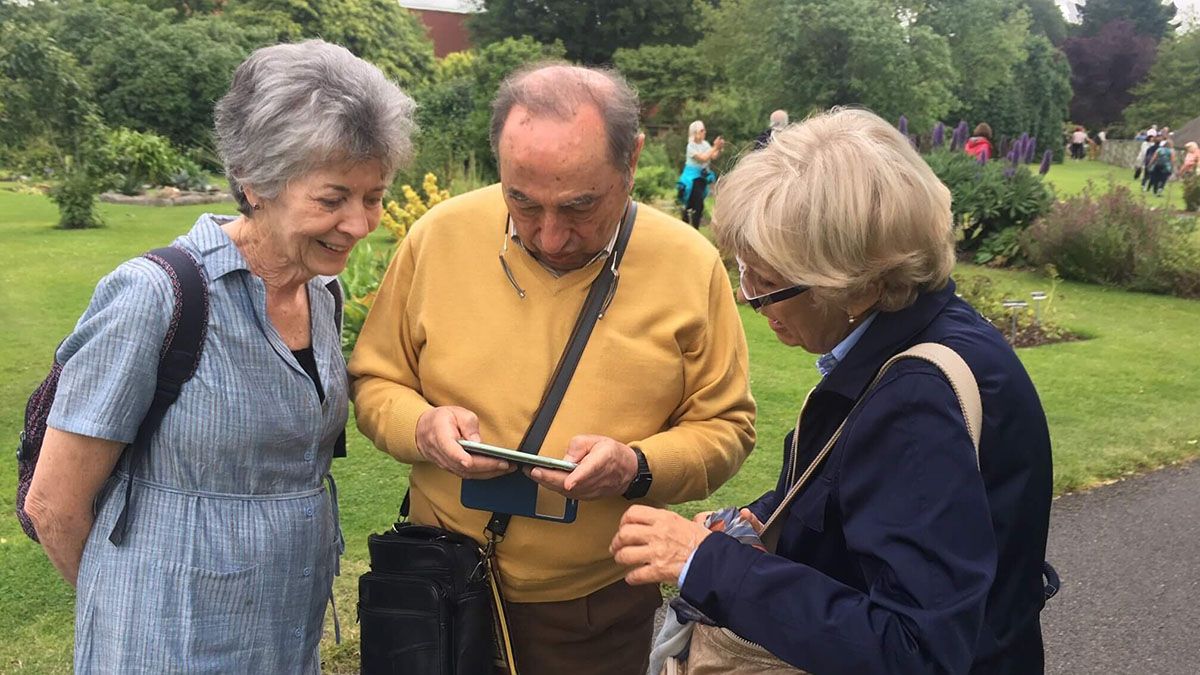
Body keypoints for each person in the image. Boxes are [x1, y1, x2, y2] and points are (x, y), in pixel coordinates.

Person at [348, 63, 756, 675]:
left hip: (594, 611)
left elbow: (726, 427)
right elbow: (377, 379)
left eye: (579, 206)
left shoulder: (689, 265)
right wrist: (422, 426)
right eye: (522, 202)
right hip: (438, 588)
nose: (551, 235)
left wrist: (637, 466)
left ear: (633, 158)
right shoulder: (438, 237)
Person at [612, 108, 1054, 674]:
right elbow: (856, 501)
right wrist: (759, 520)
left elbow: (916, 651)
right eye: (745, 272)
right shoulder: (929, 335)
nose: (749, 299)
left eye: (767, 282)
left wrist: (706, 563)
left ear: (855, 282)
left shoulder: (917, 402)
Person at [24, 40, 416, 672]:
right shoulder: (157, 295)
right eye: (333, 197)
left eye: (373, 196)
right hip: (165, 647)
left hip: (287, 635)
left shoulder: (323, 296)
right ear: (256, 180)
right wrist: (128, 612)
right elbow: (53, 505)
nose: (360, 223)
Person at [677, 119, 725, 228]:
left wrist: (719, 148)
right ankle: (692, 226)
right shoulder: (691, 146)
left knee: (698, 204)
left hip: (702, 177)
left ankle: (693, 226)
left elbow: (712, 156)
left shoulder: (705, 144)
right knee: (695, 203)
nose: (704, 132)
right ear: (695, 133)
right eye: (702, 130)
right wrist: (715, 147)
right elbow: (703, 158)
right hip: (692, 179)